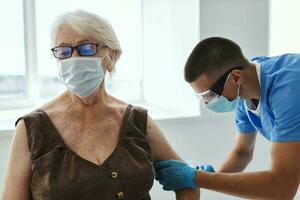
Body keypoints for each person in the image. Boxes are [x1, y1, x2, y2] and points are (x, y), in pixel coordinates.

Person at [2, 10, 200, 200]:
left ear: (112, 56)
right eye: (64, 51)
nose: (74, 58)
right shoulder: (32, 129)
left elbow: (188, 181)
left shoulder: (137, 121)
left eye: (87, 48)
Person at [154, 37, 300, 199]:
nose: (207, 103)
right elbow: (242, 153)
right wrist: (213, 175)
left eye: (209, 95)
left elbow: (281, 189)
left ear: (236, 77)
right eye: (201, 97)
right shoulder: (246, 91)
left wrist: (197, 178)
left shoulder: (289, 91)